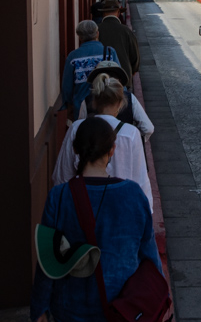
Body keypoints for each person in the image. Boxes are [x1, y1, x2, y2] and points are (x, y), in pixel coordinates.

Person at [31, 117, 161, 322]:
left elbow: (47, 261)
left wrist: (39, 308)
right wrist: (156, 300)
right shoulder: (133, 194)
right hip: (123, 311)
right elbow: (149, 254)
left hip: (72, 314)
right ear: (112, 150)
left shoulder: (59, 196)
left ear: (75, 150)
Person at [54, 74, 152, 212]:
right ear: (120, 103)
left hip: (82, 208)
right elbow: (141, 181)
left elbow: (62, 176)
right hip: (121, 208)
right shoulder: (130, 133)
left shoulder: (77, 128)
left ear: (94, 102)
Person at [79, 60, 154, 141]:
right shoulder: (130, 98)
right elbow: (148, 128)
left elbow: (79, 129)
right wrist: (132, 139)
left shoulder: (87, 101)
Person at [62, 20, 119, 121]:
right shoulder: (110, 52)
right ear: (97, 33)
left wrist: (68, 105)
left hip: (81, 107)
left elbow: (67, 87)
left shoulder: (73, 57)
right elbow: (118, 78)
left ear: (79, 36)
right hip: (107, 105)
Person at [97, 0, 140, 86]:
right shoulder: (126, 30)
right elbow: (134, 54)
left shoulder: (97, 30)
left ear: (104, 13)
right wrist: (133, 69)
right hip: (123, 76)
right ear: (118, 13)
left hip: (102, 77)